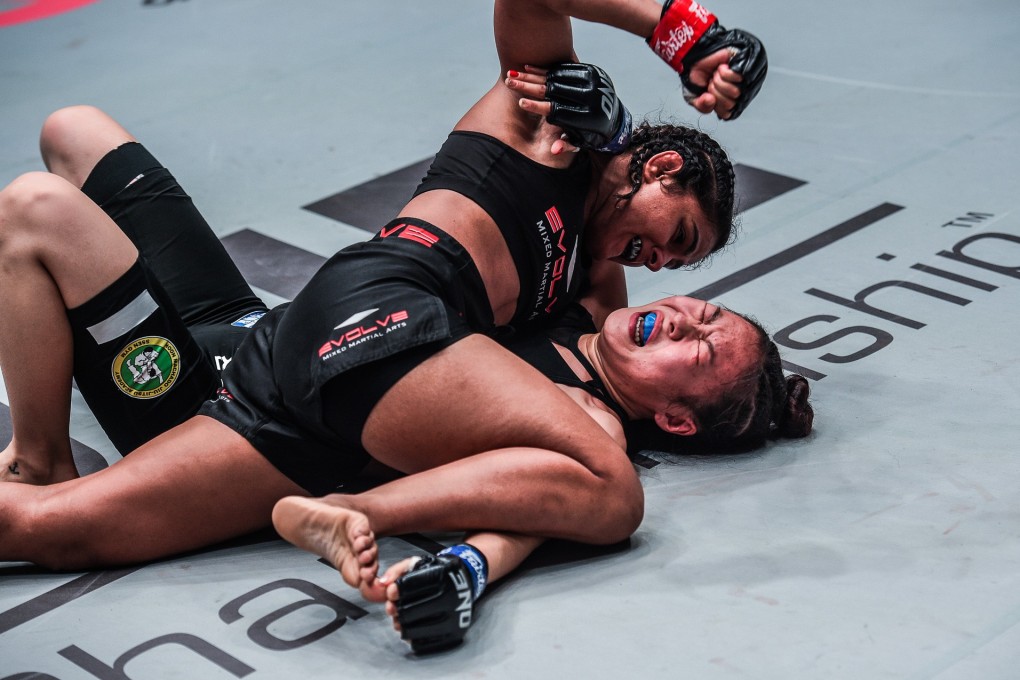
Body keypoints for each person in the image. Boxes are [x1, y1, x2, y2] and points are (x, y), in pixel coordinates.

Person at [0, 0, 767, 571]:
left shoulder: (598, 285)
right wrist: (685, 35)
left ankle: (48, 481)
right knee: (55, 163)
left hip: (288, 366)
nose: (659, 265)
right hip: (372, 315)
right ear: (662, 171)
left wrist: (626, 127)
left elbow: (589, 414)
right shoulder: (541, 126)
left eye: (676, 268)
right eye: (677, 239)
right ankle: (42, 456)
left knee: (43, 530)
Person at [271, 298, 814, 653]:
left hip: (292, 413)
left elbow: (533, 511)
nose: (681, 319)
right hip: (295, 330)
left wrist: (467, 567)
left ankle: (354, 513)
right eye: (707, 312)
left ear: (674, 419)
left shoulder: (593, 425)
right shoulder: (578, 302)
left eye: (695, 347)